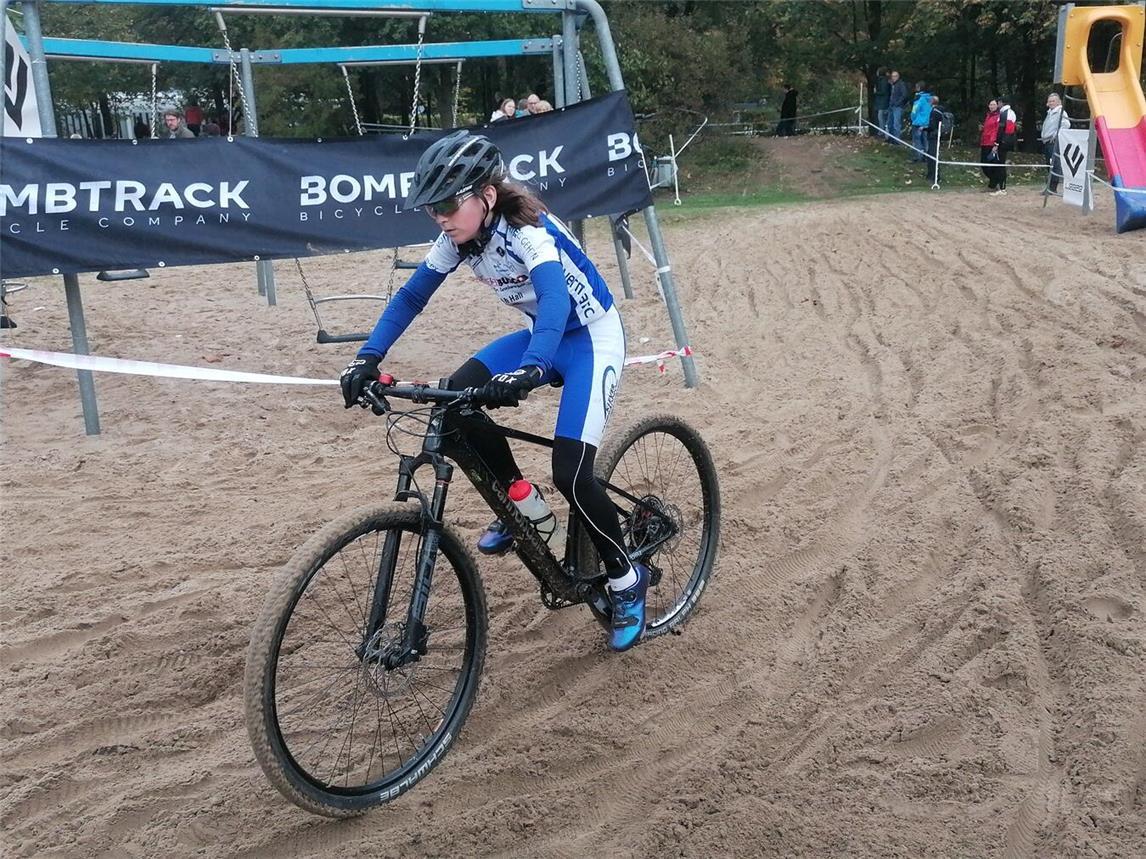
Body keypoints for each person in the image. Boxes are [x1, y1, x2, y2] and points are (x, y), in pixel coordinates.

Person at [338, 131, 650, 652]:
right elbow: (412, 297)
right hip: (540, 336)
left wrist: (531, 367)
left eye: (446, 204)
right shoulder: (456, 240)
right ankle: (521, 507)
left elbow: (553, 299)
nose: (438, 216)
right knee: (458, 398)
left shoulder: (529, 232)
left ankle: (626, 579)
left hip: (589, 339)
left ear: (485, 195)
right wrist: (366, 357)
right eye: (431, 207)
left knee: (571, 471)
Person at [1039, 92, 1071, 195]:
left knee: (1054, 164)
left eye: (1053, 101)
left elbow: (1066, 124)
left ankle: (1052, 188)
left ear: (1058, 102)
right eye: (1049, 101)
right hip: (1047, 142)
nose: (1051, 103)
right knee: (1049, 164)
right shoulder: (1050, 112)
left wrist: (1055, 136)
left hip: (1053, 142)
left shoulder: (1060, 112)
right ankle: (1050, 186)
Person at [989, 95, 1018, 195]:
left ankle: (1002, 188)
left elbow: (1001, 130)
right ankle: (1001, 187)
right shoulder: (1011, 112)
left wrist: (997, 143)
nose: (997, 105)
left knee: (1000, 164)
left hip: (1003, 142)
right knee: (1000, 163)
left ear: (1001, 103)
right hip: (1007, 141)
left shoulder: (1004, 114)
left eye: (998, 103)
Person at [925, 95, 954, 184]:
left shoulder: (934, 112)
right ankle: (932, 175)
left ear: (932, 102)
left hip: (934, 136)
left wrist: (924, 129)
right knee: (933, 155)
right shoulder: (940, 111)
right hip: (937, 136)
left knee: (932, 156)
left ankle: (934, 176)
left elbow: (933, 126)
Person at [979, 98, 1003, 192]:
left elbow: (998, 130)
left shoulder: (999, 116)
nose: (991, 106)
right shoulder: (988, 115)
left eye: (993, 104)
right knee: (984, 164)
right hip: (984, 142)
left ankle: (993, 184)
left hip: (992, 143)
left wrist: (996, 144)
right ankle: (994, 182)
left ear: (997, 106)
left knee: (992, 164)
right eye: (990, 104)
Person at [908, 81, 932, 162]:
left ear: (918, 88)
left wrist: (912, 118)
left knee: (917, 140)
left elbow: (915, 111)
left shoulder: (919, 98)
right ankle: (927, 156)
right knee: (925, 140)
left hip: (918, 122)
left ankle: (918, 157)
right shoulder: (930, 99)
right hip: (927, 122)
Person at [887, 70, 908, 143]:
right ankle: (890, 138)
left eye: (895, 76)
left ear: (898, 77)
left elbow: (904, 95)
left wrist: (897, 103)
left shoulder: (901, 84)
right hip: (891, 106)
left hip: (897, 107)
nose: (893, 78)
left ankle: (897, 140)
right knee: (890, 123)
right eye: (892, 76)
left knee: (896, 124)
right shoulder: (893, 85)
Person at [873, 68, 890, 141]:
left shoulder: (883, 81)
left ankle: (882, 132)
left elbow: (883, 91)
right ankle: (883, 132)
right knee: (881, 117)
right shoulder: (882, 80)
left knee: (881, 117)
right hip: (882, 102)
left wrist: (876, 92)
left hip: (883, 102)